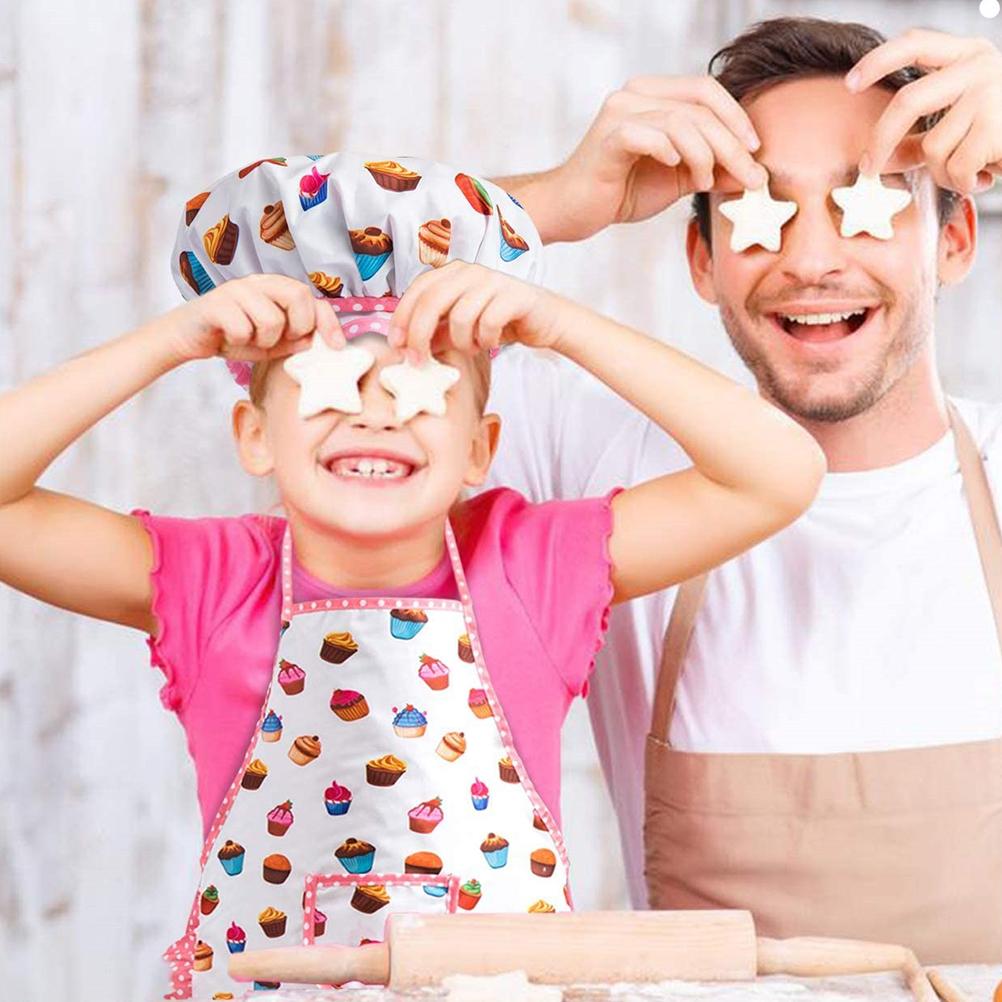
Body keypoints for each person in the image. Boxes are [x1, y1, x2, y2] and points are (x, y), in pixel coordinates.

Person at [0, 152, 821, 997]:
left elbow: (777, 473)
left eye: (417, 385)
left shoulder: (531, 568)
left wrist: (557, 324)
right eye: (334, 385)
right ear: (253, 436)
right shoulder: (210, 582)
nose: (375, 409)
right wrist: (169, 342)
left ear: (478, 448)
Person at [487, 17, 1002, 962]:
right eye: (764, 209)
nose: (811, 260)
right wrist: (554, 204)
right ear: (703, 262)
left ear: (955, 239)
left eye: (871, 204)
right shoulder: (599, 463)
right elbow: (286, 313)